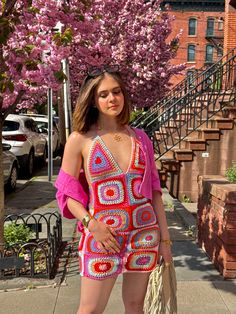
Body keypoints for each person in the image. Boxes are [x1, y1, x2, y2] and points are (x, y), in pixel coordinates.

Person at [55, 65, 172, 314]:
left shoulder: (140, 138)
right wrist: (92, 225)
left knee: (134, 306)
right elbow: (68, 193)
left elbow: (154, 193)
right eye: (104, 94)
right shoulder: (81, 139)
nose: (112, 99)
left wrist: (165, 240)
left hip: (144, 235)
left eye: (117, 92)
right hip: (102, 235)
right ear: (93, 101)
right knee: (89, 309)